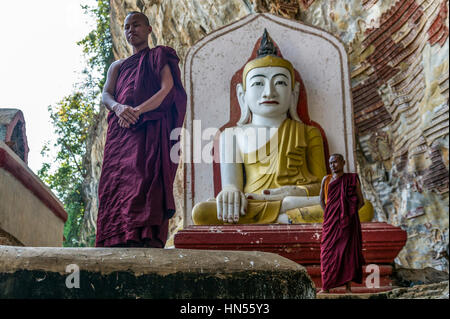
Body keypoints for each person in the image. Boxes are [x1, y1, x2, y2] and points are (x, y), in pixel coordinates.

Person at [191, 29, 373, 225]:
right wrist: (230, 193)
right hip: (254, 204)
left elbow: (323, 186)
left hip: (297, 200)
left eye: (279, 82)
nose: (269, 92)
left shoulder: (309, 133)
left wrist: (293, 193)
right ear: (242, 95)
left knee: (362, 209)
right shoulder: (231, 135)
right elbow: (231, 186)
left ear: (294, 93)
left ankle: (285, 210)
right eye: (258, 83)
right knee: (202, 213)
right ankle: (285, 215)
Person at [95, 11, 187, 248]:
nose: (130, 30)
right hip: (121, 132)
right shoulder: (117, 65)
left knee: (146, 178)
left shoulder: (159, 55)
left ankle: (145, 236)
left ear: (149, 29)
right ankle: (115, 236)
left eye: (136, 25)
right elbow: (107, 94)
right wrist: (118, 108)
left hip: (149, 128)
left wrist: (137, 111)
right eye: (126, 27)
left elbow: (167, 89)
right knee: (116, 182)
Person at [318, 154, 366, 293]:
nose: (333, 165)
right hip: (330, 222)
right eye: (330, 163)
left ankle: (348, 288)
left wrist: (349, 214)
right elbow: (321, 199)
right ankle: (326, 287)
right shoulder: (326, 180)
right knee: (327, 252)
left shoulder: (352, 179)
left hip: (347, 223)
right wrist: (328, 214)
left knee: (347, 253)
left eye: (335, 162)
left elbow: (361, 201)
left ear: (343, 162)